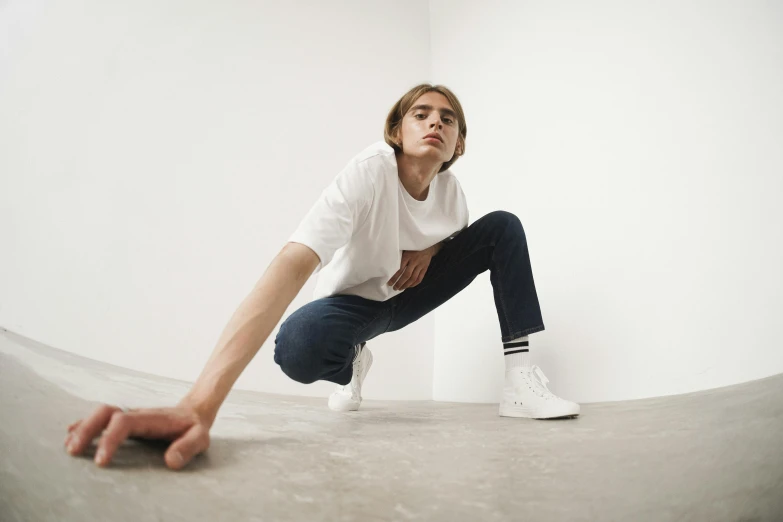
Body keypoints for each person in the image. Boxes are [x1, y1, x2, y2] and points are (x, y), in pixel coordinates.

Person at [63, 84, 580, 471]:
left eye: (448, 119)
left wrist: (431, 249)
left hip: (410, 293)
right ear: (396, 130)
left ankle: (518, 382)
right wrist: (200, 404)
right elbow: (293, 260)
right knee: (298, 346)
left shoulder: (454, 194)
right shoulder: (369, 172)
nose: (435, 123)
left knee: (503, 227)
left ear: (458, 145)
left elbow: (460, 236)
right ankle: (353, 359)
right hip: (354, 304)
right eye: (421, 114)